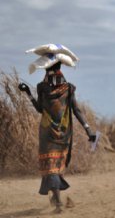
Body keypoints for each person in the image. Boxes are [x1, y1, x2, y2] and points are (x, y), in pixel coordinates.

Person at [18, 59, 97, 213]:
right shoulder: (68, 88)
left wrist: (28, 92)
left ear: (46, 69)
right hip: (63, 133)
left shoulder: (42, 87)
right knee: (56, 167)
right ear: (60, 67)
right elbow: (76, 110)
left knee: (51, 167)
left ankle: (58, 200)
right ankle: (57, 199)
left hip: (47, 133)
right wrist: (88, 130)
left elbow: (40, 109)